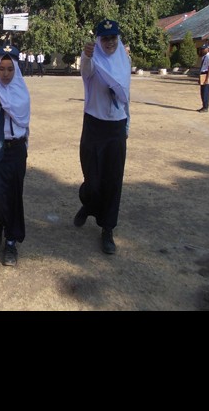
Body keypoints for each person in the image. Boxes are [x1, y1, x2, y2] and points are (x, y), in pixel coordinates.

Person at [74, 19, 130, 254]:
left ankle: (108, 229)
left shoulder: (124, 61)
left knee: (113, 180)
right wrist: (87, 56)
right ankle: (88, 203)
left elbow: (126, 95)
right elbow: (85, 71)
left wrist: (127, 123)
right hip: (94, 125)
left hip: (116, 126)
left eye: (113, 38)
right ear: (98, 40)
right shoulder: (92, 60)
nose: (109, 42)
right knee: (93, 177)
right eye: (105, 38)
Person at [0, 45, 31, 267]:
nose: (6, 74)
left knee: (13, 196)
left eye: (10, 69)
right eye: (2, 69)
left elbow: (17, 111)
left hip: (15, 149)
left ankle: (11, 241)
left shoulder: (21, 93)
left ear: (16, 69)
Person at [198, 43, 209, 112]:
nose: (202, 50)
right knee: (202, 92)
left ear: (208, 49)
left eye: (204, 49)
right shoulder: (204, 57)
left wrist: (207, 79)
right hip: (202, 74)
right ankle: (203, 106)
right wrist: (199, 78)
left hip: (206, 74)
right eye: (202, 49)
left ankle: (206, 107)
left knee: (205, 92)